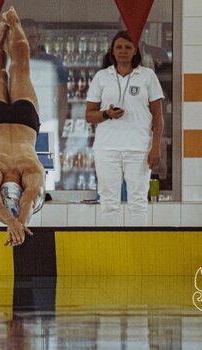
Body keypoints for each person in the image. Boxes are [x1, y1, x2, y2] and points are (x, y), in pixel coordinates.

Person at [0, 6, 46, 246]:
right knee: (2, 72)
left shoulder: (26, 169)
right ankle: (9, 28)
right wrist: (15, 221)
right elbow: (19, 199)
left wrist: (15, 222)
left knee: (13, 69)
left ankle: (9, 28)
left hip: (20, 122)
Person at [85, 31, 164, 226]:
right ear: (112, 50)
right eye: (119, 47)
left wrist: (156, 147)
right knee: (108, 202)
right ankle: (111, 250)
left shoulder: (147, 76)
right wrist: (106, 114)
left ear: (135, 51)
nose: (123, 51)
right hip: (107, 149)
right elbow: (89, 115)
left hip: (139, 149)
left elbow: (158, 117)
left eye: (128, 47)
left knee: (138, 202)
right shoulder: (102, 77)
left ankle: (138, 248)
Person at [20, 18, 69, 189]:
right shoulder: (10, 63)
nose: (28, 41)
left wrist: (59, 131)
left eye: (32, 37)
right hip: (17, 130)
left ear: (39, 37)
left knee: (45, 181)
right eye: (23, 37)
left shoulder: (53, 63)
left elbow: (62, 100)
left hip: (46, 128)